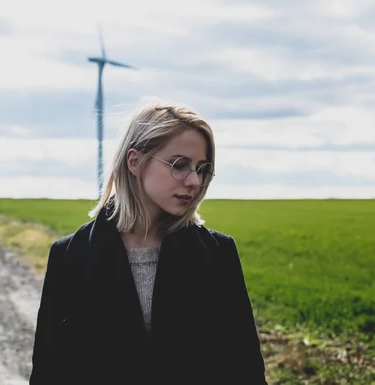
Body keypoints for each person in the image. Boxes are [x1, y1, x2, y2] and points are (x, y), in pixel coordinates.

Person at [29, 101, 267, 384]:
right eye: (180, 165)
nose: (194, 180)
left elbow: (246, 369)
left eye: (202, 169)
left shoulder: (218, 254)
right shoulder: (69, 257)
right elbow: (50, 373)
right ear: (135, 161)